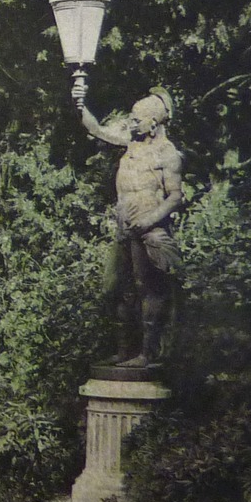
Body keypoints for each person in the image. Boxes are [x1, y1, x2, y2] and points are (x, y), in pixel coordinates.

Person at [73, 84, 185, 367]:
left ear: (153, 123)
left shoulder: (167, 153)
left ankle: (147, 354)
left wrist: (148, 220)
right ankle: (124, 351)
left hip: (149, 228)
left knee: (149, 288)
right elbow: (97, 129)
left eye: (137, 119)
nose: (131, 123)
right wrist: (80, 104)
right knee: (117, 287)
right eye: (132, 119)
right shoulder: (131, 142)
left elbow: (175, 197)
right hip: (125, 226)